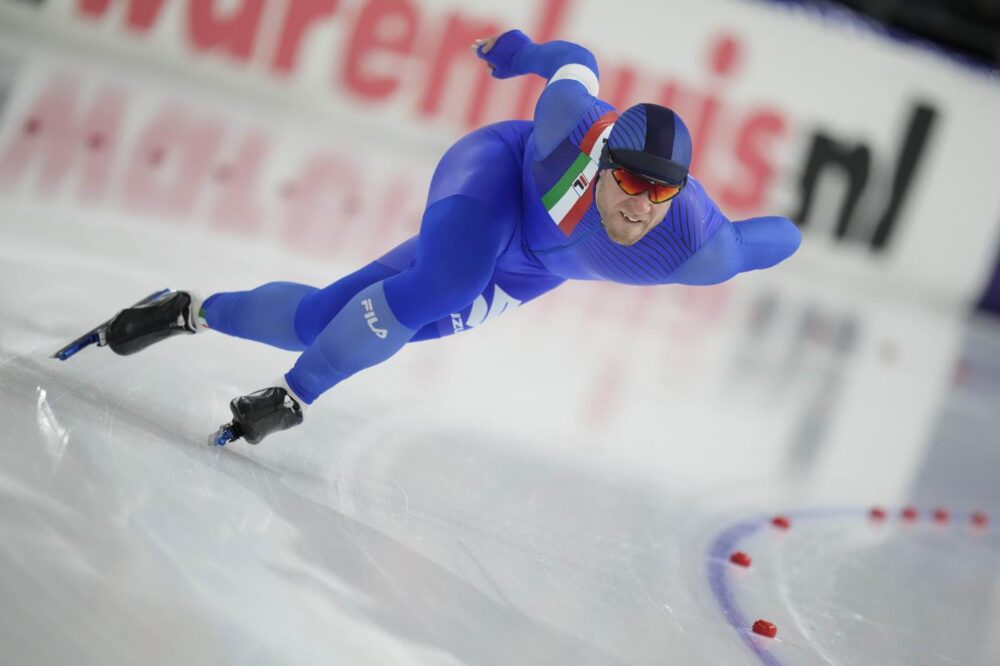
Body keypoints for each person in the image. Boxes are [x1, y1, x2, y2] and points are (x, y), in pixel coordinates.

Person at [56, 30, 802, 445]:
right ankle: (295, 396)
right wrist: (517, 56)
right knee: (433, 288)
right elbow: (574, 62)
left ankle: (187, 309)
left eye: (662, 192)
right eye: (632, 183)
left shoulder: (695, 247)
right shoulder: (565, 129)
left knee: (320, 320)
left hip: (532, 269)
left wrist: (789, 232)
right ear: (602, 160)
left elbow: (769, 240)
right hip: (493, 177)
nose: (642, 207)